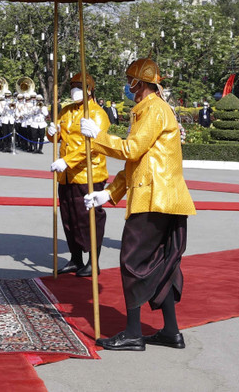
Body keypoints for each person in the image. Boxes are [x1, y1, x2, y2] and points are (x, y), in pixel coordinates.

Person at [80, 58, 195, 352]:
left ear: (139, 84)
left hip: (154, 200)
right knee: (160, 263)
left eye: (129, 80)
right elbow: (140, 163)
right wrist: (110, 193)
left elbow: (131, 150)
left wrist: (98, 136)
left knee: (131, 262)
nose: (127, 86)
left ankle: (133, 333)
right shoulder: (147, 109)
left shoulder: (154, 109)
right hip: (161, 197)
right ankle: (170, 331)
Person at [47, 72, 109, 277]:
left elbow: (92, 146)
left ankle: (93, 261)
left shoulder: (97, 114)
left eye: (79, 86)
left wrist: (67, 161)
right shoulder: (66, 111)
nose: (74, 90)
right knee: (69, 218)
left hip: (87, 174)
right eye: (73, 86)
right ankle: (75, 259)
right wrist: (50, 131)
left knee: (89, 218)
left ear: (90, 89)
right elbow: (57, 136)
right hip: (65, 175)